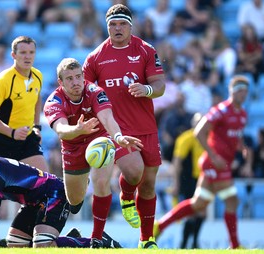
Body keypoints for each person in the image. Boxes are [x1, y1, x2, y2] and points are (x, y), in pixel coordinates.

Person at [82, 4, 166, 249]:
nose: (117, 29)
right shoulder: (95, 57)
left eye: (122, 24)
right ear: (106, 26)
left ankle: (146, 239)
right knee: (133, 172)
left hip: (146, 125)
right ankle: (127, 196)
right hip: (115, 129)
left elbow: (160, 85)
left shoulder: (146, 50)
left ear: (131, 25)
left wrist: (146, 89)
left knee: (149, 183)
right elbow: (85, 91)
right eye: (112, 24)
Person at [0, 139, 122, 249]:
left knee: (43, 245)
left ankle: (96, 242)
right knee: (16, 245)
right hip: (34, 201)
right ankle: (69, 240)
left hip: (54, 194)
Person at [43, 58, 142, 247]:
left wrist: (119, 137)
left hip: (100, 140)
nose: (76, 82)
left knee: (102, 182)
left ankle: (96, 238)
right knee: (74, 203)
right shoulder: (53, 101)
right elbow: (62, 130)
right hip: (72, 146)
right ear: (61, 82)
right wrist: (78, 130)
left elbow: (107, 118)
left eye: (78, 77)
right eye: (70, 79)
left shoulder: (94, 91)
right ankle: (82, 179)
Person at [153, 75, 250, 249]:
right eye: (240, 90)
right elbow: (199, 131)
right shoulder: (221, 110)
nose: (243, 94)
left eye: (246, 91)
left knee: (198, 204)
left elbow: (235, 136)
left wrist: (242, 148)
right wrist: (213, 155)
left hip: (221, 163)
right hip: (214, 164)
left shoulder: (242, 114)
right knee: (232, 200)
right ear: (232, 92)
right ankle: (235, 245)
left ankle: (159, 226)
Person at [0, 35, 49, 171]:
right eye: (23, 53)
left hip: (26, 140)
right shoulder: (2, 81)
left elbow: (36, 99)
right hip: (1, 142)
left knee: (44, 183)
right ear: (13, 55)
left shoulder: (38, 76)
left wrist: (36, 127)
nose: (27, 57)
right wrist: (12, 132)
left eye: (31, 52)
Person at [157, 113, 205, 249]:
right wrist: (176, 183)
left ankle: (192, 242)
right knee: (193, 212)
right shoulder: (186, 138)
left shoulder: (207, 137)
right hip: (188, 180)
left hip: (202, 179)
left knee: (201, 212)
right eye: (198, 122)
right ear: (193, 123)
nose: (200, 124)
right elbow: (177, 163)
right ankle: (187, 243)